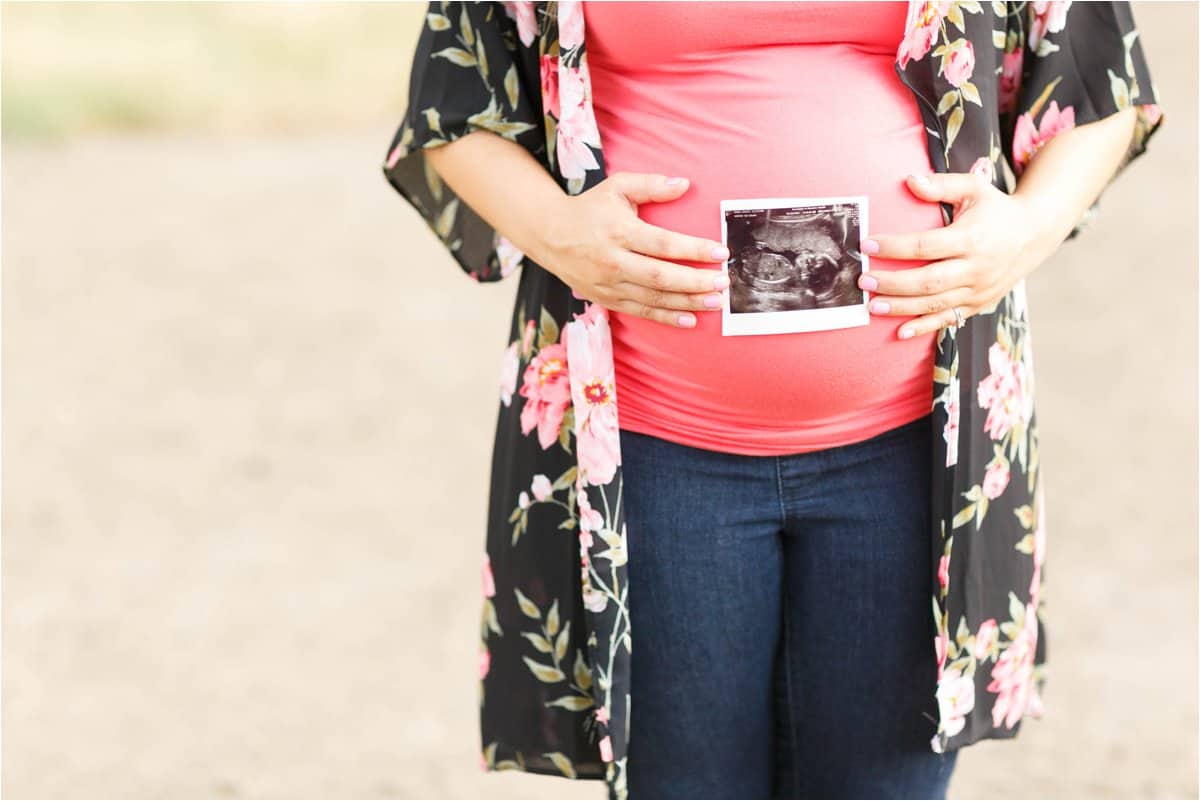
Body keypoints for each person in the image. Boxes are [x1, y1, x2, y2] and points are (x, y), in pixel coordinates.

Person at [382, 2, 1165, 798]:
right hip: (651, 444)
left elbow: (1098, 73)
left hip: (916, 448)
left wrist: (1024, 230)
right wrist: (557, 229)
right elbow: (454, 97)